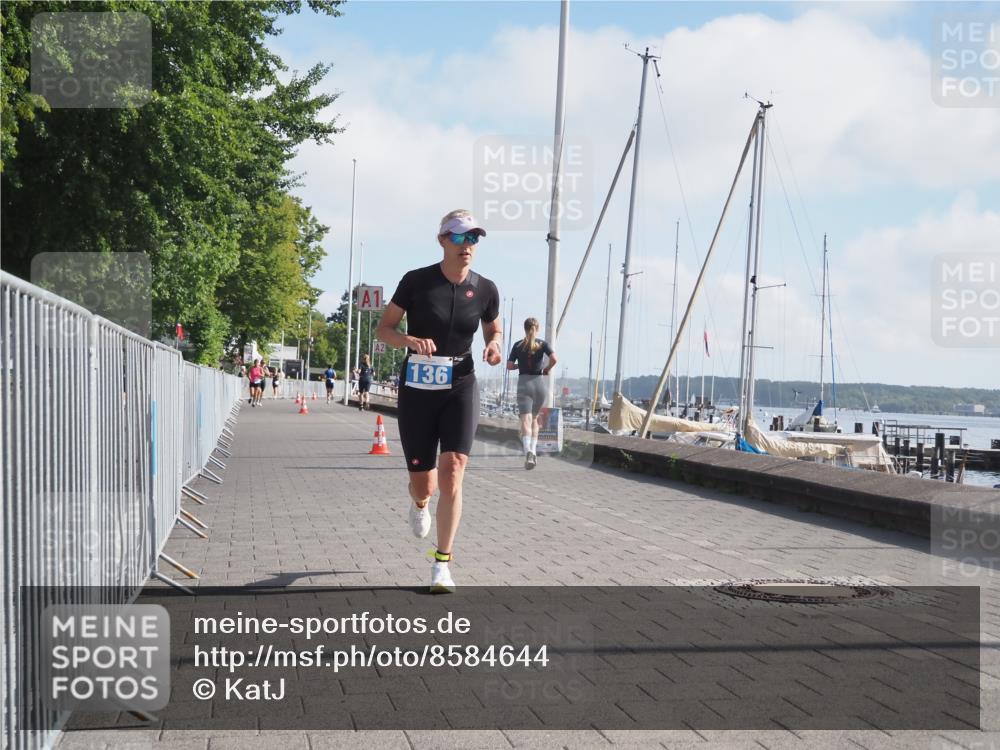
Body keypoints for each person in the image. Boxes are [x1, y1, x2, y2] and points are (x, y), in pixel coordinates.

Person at [376, 209, 501, 594]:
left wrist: (493, 344)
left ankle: (442, 565)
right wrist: (409, 341)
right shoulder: (416, 281)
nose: (468, 246)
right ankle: (418, 504)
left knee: (454, 470)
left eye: (474, 239)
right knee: (424, 484)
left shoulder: (485, 289)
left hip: (460, 381)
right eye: (461, 238)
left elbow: (492, 326)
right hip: (417, 386)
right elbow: (384, 329)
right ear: (443, 239)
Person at [507, 317, 557, 470]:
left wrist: (518, 366)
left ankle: (528, 450)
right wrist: (546, 369)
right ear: (537, 328)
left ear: (524, 328)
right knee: (535, 420)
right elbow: (554, 359)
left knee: (525, 421)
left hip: (524, 384)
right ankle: (533, 451)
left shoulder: (517, 345)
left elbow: (509, 366)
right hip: (539, 384)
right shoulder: (542, 344)